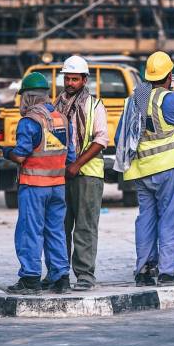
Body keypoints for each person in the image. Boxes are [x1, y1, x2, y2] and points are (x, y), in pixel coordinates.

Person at [114, 51, 174, 287]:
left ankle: (144, 270)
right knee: (172, 218)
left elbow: (120, 136)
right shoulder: (171, 100)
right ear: (169, 77)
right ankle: (168, 271)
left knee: (146, 219)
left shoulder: (137, 98)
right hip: (169, 167)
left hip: (141, 170)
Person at [2, 72, 75, 295]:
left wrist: (7, 153)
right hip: (57, 186)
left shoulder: (29, 122)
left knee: (30, 232)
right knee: (55, 231)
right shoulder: (61, 119)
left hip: (34, 186)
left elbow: (21, 156)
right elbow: (70, 155)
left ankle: (30, 279)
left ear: (29, 97)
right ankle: (60, 277)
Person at [53, 56, 109, 291]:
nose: (70, 83)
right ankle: (59, 273)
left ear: (84, 80)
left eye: (75, 79)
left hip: (87, 174)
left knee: (85, 226)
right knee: (60, 226)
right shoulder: (56, 106)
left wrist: (76, 164)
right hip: (61, 173)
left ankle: (85, 275)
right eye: (67, 78)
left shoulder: (94, 106)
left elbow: (101, 139)